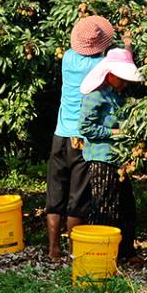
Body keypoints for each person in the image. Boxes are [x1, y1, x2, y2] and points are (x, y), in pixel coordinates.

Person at [46, 15, 113, 260]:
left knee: (55, 192)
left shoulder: (67, 58)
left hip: (60, 135)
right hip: (82, 138)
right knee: (78, 194)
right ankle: (74, 250)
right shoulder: (101, 65)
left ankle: (53, 249)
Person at [77, 46, 144, 263]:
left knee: (126, 208)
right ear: (110, 74)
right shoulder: (95, 95)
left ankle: (125, 252)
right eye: (121, 78)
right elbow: (85, 128)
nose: (125, 83)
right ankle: (100, 257)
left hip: (117, 159)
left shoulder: (117, 94)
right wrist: (114, 132)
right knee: (104, 207)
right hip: (102, 158)